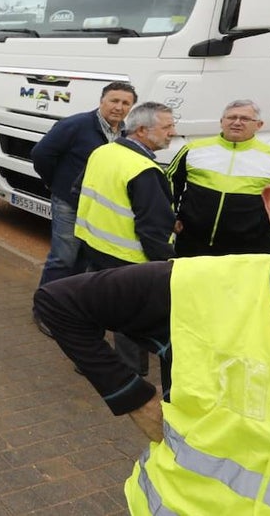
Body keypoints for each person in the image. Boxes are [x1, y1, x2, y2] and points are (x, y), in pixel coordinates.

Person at [34, 147, 270, 514]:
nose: (170, 133)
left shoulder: (118, 155)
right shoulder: (196, 286)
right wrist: (132, 397)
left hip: (104, 249)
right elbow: (60, 303)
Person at [74, 101, 176, 375]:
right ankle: (130, 376)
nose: (172, 132)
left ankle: (87, 360)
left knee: (93, 305)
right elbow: (153, 229)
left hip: (93, 245)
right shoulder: (144, 170)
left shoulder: (103, 151)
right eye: (166, 127)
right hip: (127, 258)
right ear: (142, 130)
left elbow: (78, 189)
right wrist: (167, 263)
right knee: (129, 319)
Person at [29, 81, 137, 333]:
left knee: (85, 259)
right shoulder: (76, 125)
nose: (119, 107)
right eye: (114, 100)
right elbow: (41, 154)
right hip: (69, 203)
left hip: (98, 208)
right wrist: (57, 184)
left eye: (125, 103)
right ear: (102, 101)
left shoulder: (125, 133)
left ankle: (70, 306)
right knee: (63, 258)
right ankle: (45, 311)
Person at [167, 99, 270, 256]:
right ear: (221, 122)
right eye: (231, 117)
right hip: (192, 242)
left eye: (245, 119)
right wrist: (170, 217)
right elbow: (170, 183)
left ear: (259, 125)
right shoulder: (193, 149)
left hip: (249, 248)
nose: (237, 122)